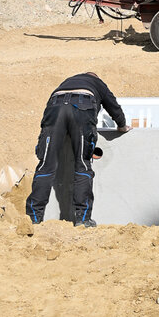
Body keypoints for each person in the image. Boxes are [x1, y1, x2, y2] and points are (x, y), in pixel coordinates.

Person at [27, 72, 127, 227]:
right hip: (83, 107)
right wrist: (122, 125)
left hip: (55, 107)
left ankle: (33, 218)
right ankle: (83, 219)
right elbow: (113, 105)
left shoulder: (66, 82)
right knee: (83, 165)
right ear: (95, 77)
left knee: (45, 166)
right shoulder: (97, 82)